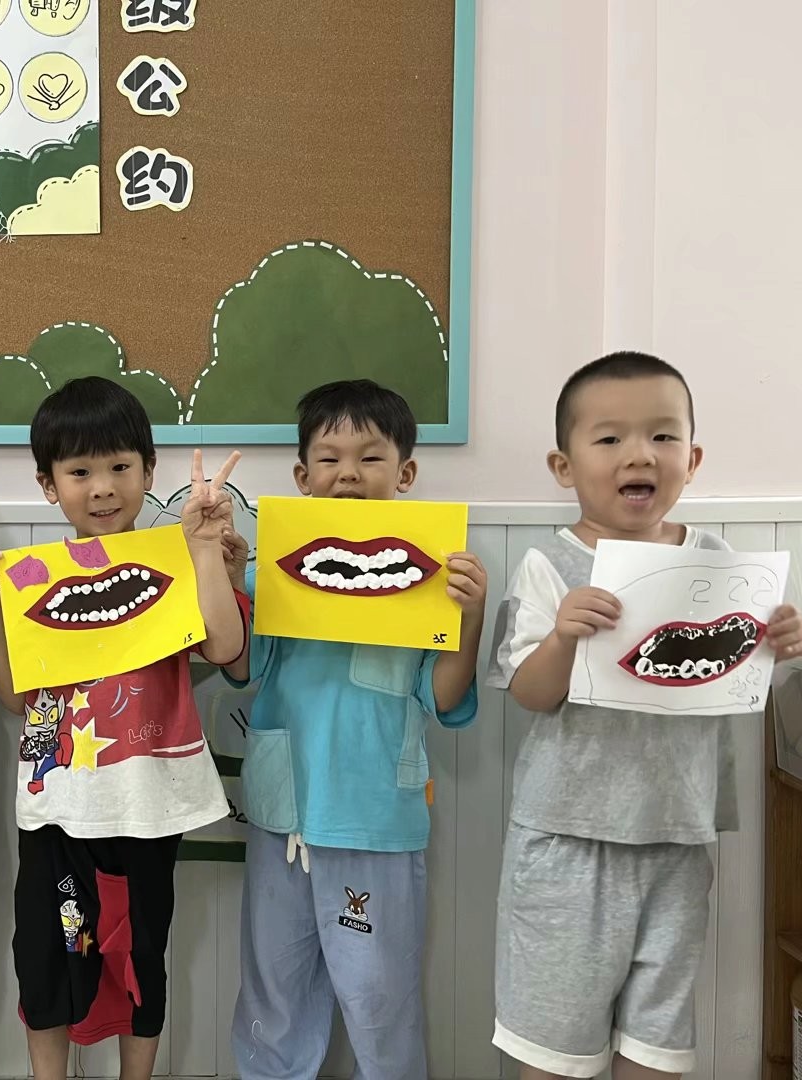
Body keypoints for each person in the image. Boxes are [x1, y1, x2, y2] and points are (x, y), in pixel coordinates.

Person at [487, 351, 802, 1079]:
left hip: (678, 836)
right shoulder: (549, 565)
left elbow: (735, 672)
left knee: (658, 1044)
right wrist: (564, 636)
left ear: (691, 460)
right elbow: (528, 694)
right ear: (564, 465)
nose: (639, 454)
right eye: (609, 438)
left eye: (663, 436)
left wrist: (780, 639)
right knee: (553, 1047)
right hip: (567, 841)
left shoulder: (718, 560)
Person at [0, 375, 249, 1080]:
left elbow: (225, 648)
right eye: (79, 472)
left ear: (149, 472)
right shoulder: (28, 577)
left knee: (141, 958)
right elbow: (13, 699)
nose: (102, 488)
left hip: (149, 805)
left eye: (121, 466)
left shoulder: (178, 559)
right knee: (43, 961)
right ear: (48, 485)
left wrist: (205, 551)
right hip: (55, 806)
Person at [222, 379, 486, 1080]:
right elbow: (242, 668)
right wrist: (230, 579)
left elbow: (442, 696)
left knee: (378, 999)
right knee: (273, 995)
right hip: (283, 818)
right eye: (329, 458)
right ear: (302, 477)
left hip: (376, 823)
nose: (348, 474)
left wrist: (470, 618)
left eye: (370, 458)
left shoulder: (430, 580)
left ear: (405, 473)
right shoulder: (269, 574)